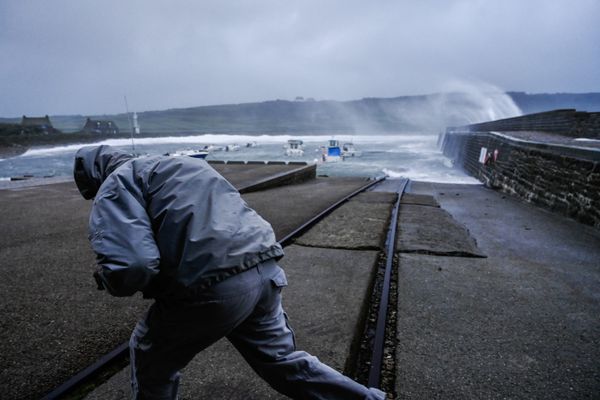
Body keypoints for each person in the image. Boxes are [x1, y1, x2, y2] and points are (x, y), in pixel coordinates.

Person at [74, 145, 385, 400]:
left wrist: (107, 276)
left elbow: (134, 265)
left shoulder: (116, 183)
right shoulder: (184, 165)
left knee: (148, 354)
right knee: (281, 361)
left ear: (95, 176)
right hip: (263, 265)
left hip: (213, 283)